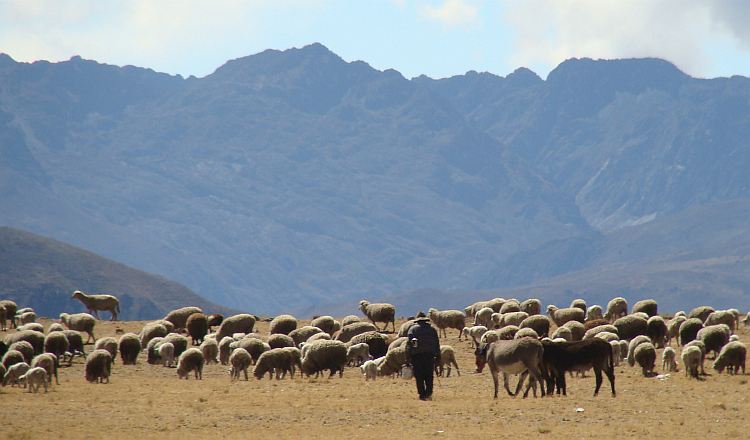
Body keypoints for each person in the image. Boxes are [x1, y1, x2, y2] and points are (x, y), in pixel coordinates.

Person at [405, 310, 441, 401]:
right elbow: (437, 343)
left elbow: (408, 344)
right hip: (430, 355)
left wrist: (407, 356)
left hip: (417, 356)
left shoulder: (412, 329)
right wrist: (438, 356)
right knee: (429, 375)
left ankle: (422, 394)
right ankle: (429, 393)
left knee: (419, 375)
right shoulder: (432, 329)